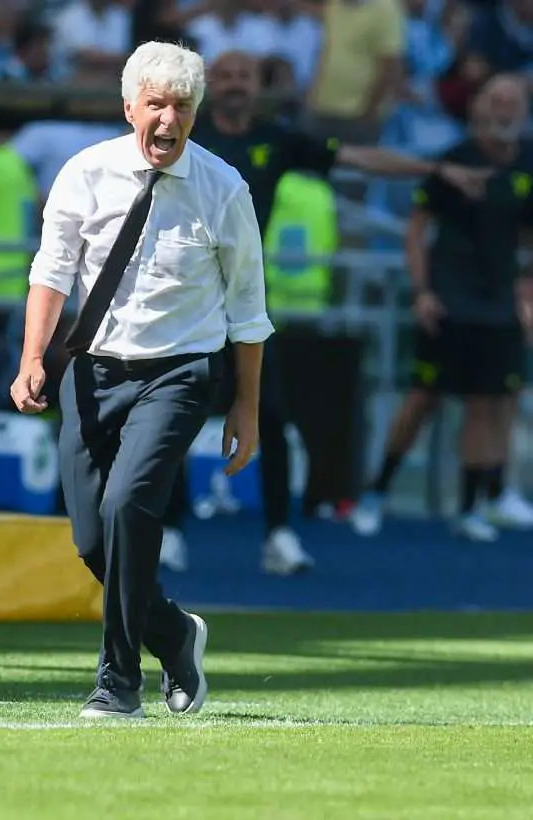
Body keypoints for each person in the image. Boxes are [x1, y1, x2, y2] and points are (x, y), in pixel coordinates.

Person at [10, 41, 273, 719]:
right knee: (92, 541)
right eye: (155, 104)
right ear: (129, 108)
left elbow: (249, 313)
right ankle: (174, 632)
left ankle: (116, 681)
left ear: (195, 114)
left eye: (181, 106)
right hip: (92, 372)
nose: (167, 119)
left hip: (181, 375)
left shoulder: (225, 189)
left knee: (130, 505)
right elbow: (51, 271)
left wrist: (246, 410)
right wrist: (33, 357)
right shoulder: (84, 173)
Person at [182, 49, 491, 575]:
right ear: (209, 84)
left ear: (260, 85)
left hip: (243, 300)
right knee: (174, 416)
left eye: (246, 75)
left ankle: (278, 535)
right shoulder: (184, 137)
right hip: (182, 299)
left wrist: (433, 167)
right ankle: (166, 531)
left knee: (270, 417)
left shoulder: (276, 140)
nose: (236, 84)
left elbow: (356, 158)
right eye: (227, 75)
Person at [351, 74, 533, 541]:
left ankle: (479, 503)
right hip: (450, 298)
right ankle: (376, 491)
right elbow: (417, 231)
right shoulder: (455, 161)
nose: (505, 110)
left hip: (498, 301)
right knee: (421, 399)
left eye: (513, 101)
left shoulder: (526, 164)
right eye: (496, 100)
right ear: (479, 107)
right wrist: (423, 291)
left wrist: (525, 293)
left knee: (490, 400)